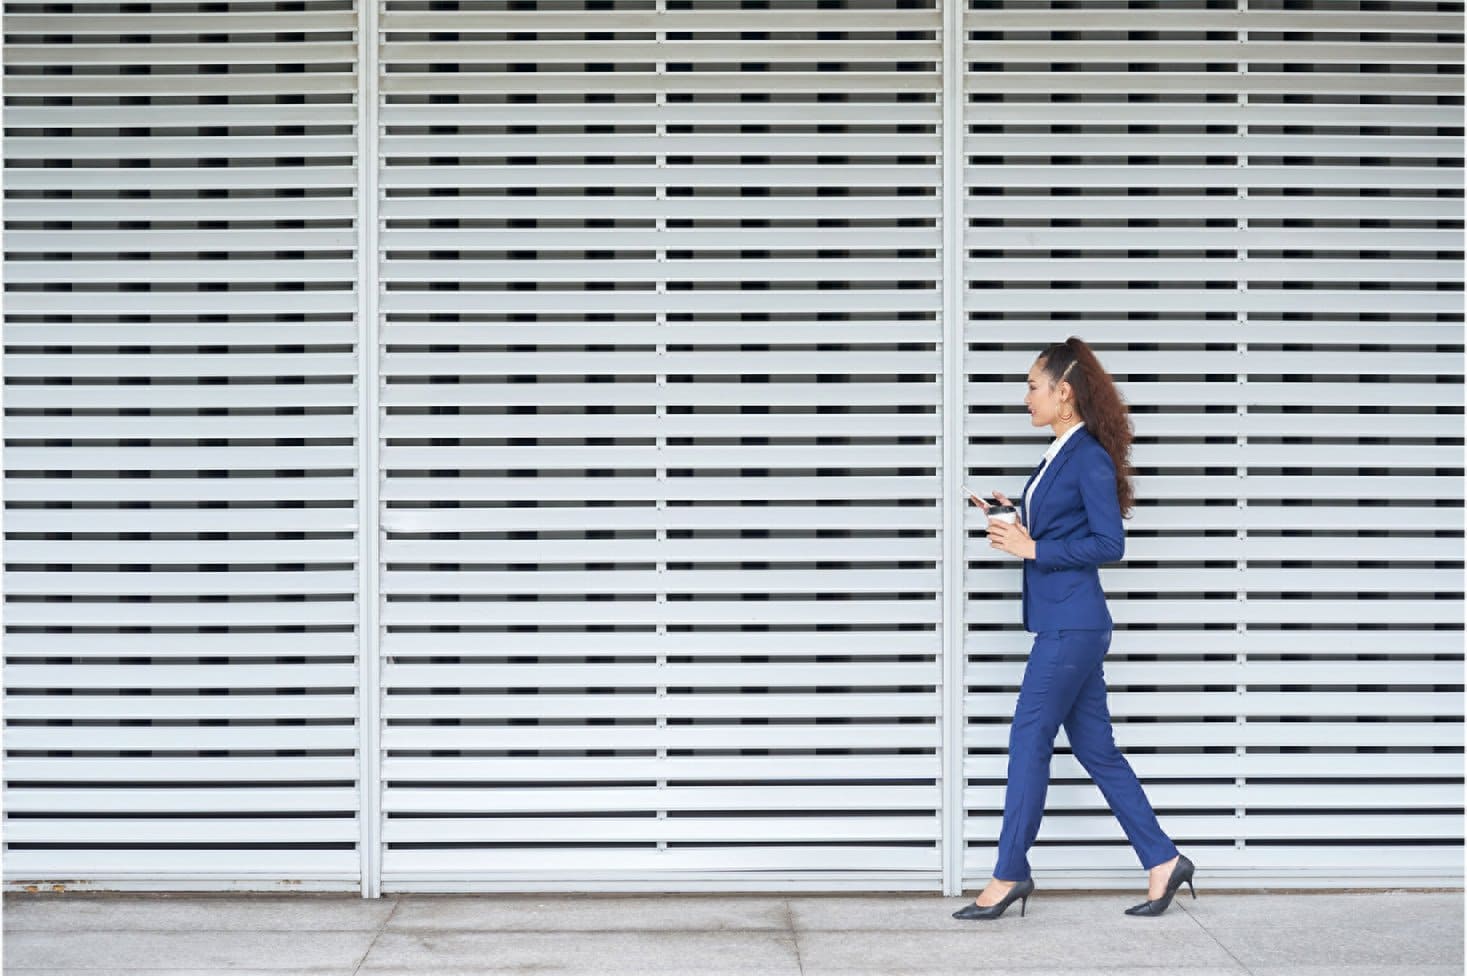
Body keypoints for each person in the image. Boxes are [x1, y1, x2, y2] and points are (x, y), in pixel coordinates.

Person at [953, 337, 1195, 921]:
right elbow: (1064, 527)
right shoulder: (1060, 451)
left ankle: (1009, 872)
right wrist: (1010, 517)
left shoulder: (1086, 455)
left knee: (1028, 741)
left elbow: (1110, 543)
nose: (1026, 398)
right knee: (1098, 750)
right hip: (1068, 623)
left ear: (1064, 392)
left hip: (1072, 626)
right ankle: (1163, 860)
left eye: (1033, 387)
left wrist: (1033, 546)